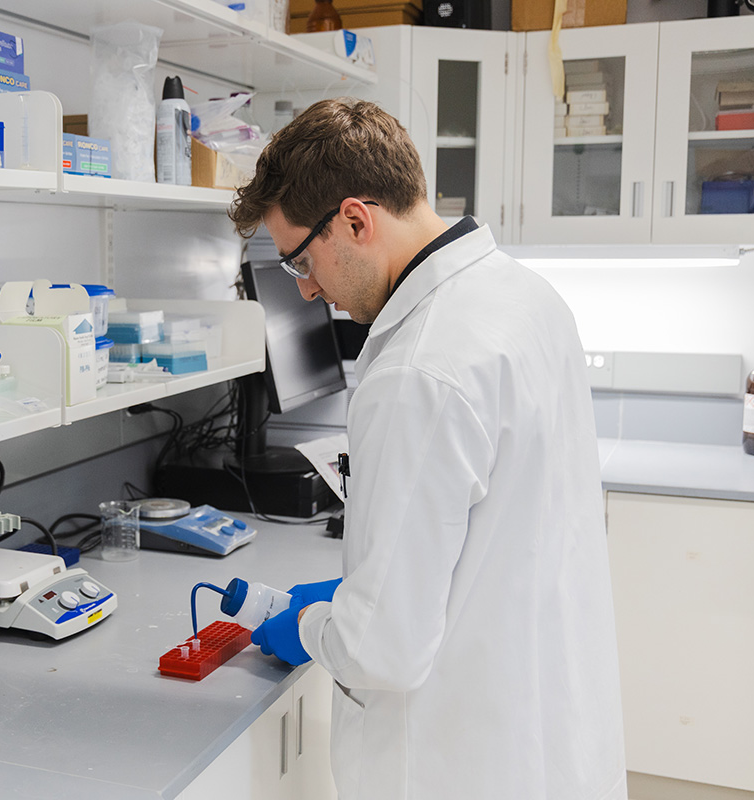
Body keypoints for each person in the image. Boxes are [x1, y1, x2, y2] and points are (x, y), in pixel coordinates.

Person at [231, 98, 627, 800]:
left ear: (355, 220)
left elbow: (381, 650)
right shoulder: (526, 296)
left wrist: (316, 625)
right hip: (544, 731)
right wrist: (362, 595)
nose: (308, 288)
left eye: (301, 259)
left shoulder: (417, 372)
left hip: (456, 763)